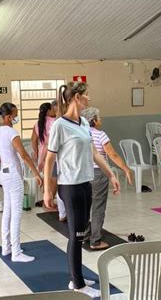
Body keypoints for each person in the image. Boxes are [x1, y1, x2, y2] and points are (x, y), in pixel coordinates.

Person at [43, 82, 121, 298]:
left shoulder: (84, 121)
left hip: (86, 183)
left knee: (80, 233)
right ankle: (77, 284)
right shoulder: (60, 125)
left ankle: (76, 275)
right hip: (70, 186)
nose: (89, 98)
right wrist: (47, 190)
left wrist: (111, 174)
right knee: (76, 235)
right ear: (77, 97)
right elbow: (49, 159)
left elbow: (95, 153)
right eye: (87, 95)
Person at [0, 103, 42, 262]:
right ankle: (16, 251)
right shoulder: (11, 132)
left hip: (4, 173)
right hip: (13, 175)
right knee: (16, 212)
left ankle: (6, 247)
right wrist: (36, 173)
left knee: (8, 210)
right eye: (15, 115)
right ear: (8, 117)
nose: (16, 118)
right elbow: (24, 154)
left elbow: (4, 155)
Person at [80, 107, 132, 250]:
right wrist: (125, 168)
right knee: (98, 207)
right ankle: (95, 240)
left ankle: (84, 235)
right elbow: (112, 155)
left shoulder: (80, 133)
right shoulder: (100, 134)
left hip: (82, 174)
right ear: (94, 121)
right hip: (98, 173)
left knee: (85, 206)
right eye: (99, 117)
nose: (100, 120)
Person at [30, 101, 66, 220]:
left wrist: (36, 153)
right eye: (53, 109)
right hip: (54, 154)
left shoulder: (38, 123)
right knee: (54, 178)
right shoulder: (55, 122)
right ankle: (48, 203)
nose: (55, 111)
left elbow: (33, 140)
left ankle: (46, 199)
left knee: (48, 177)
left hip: (43, 154)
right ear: (49, 111)